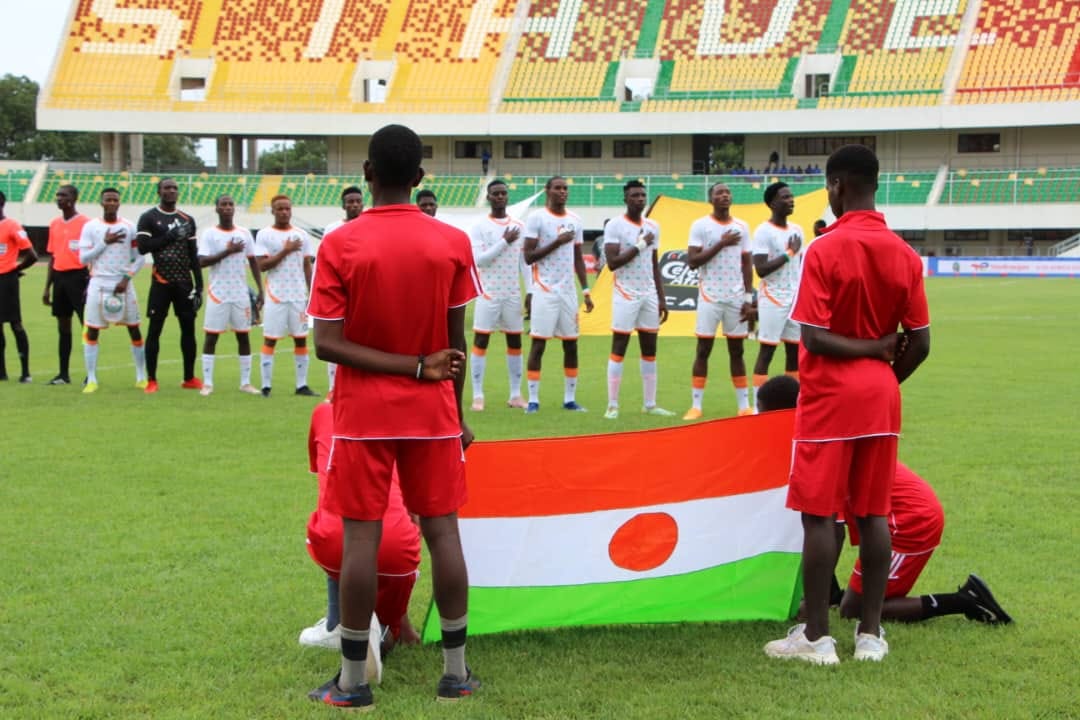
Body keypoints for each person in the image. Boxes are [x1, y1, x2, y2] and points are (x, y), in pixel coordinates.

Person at [307, 123, 481, 709]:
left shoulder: (340, 243)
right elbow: (453, 347)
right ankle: (455, 675)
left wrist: (407, 368)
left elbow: (326, 344)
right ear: (421, 178)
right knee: (444, 533)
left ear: (367, 175)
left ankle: (353, 683)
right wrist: (455, 412)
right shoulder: (452, 240)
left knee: (362, 540)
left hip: (361, 416)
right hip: (434, 414)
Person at [764, 144, 930, 665]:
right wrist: (881, 369)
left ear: (836, 186)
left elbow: (812, 338)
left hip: (831, 398)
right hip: (881, 397)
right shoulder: (904, 252)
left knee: (820, 517)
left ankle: (816, 638)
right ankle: (871, 637)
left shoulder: (824, 248)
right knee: (874, 513)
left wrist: (867, 356)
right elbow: (921, 343)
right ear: (875, 184)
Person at [756, 376, 1013, 626]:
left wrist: (814, 604)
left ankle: (963, 600)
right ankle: (834, 595)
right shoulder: (819, 434)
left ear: (785, 416)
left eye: (765, 417)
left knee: (854, 609)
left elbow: (833, 534)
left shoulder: (821, 445)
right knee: (817, 528)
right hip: (903, 514)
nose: (762, 425)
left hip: (911, 523)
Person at [300, 398, 423, 661]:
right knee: (395, 522)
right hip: (401, 551)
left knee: (333, 521)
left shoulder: (323, 411)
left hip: (339, 542)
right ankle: (387, 627)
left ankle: (339, 624)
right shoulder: (401, 414)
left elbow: (322, 471)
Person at [522, 176, 594, 413]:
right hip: (544, 291)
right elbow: (529, 256)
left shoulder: (575, 220)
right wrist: (557, 241)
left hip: (568, 293)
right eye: (558, 188)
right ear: (547, 191)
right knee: (538, 345)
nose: (562, 192)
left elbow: (577, 258)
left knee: (571, 346)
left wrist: (585, 290)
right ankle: (533, 399)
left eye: (565, 188)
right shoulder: (537, 218)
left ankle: (569, 399)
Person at [602, 180, 674, 419]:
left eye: (643, 195)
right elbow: (612, 263)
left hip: (649, 294)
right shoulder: (615, 225)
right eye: (634, 195)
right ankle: (612, 405)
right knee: (619, 348)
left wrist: (661, 297)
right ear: (625, 198)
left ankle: (650, 404)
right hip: (625, 293)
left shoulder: (654, 226)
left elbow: (654, 263)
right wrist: (641, 243)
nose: (640, 199)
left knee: (650, 350)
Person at [682, 182, 754, 420]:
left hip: (735, 298)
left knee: (737, 351)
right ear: (710, 199)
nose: (724, 195)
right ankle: (696, 405)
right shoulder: (700, 226)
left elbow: (746, 263)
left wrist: (747, 298)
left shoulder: (742, 226)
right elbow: (692, 261)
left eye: (727, 192)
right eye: (719, 193)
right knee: (703, 350)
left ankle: (744, 406)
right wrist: (721, 243)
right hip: (709, 296)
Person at [135, 177, 203, 393]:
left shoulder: (187, 219)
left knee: (188, 330)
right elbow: (143, 248)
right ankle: (152, 379)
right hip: (161, 282)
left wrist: (199, 285)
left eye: (174, 188)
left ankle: (189, 377)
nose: (171, 191)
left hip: (184, 283)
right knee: (155, 330)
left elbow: (193, 255)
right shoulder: (149, 218)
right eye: (167, 188)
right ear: (159, 191)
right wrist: (170, 236)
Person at [78, 188, 147, 392]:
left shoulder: (129, 227)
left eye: (115, 200)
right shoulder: (91, 227)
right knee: (92, 330)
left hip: (123, 284)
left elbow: (140, 256)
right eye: (108, 200)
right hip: (98, 283)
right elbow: (83, 258)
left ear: (119, 203)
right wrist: (104, 243)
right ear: (101, 203)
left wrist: (127, 277)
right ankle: (91, 379)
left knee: (134, 328)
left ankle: (141, 376)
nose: (111, 203)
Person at [468, 179, 526, 411]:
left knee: (515, 342)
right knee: (481, 341)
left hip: (512, 293)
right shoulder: (480, 226)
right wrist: (504, 241)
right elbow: (480, 260)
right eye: (496, 193)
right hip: (488, 293)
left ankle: (515, 394)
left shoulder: (519, 226)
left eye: (503, 193)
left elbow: (524, 263)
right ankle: (478, 395)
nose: (500, 197)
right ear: (489, 197)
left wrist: (529, 291)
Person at [197, 195, 263, 396]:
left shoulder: (244, 233)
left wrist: (260, 289)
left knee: (243, 336)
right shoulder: (209, 234)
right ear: (216, 209)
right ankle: (207, 383)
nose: (227, 208)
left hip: (240, 294)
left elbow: (253, 262)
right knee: (211, 337)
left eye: (230, 204)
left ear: (234, 209)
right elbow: (202, 261)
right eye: (223, 205)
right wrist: (228, 251)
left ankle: (245, 382)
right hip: (218, 294)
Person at [255, 195, 318, 397]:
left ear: (291, 210)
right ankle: (266, 386)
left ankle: (302, 385)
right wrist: (286, 250)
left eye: (287, 208)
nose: (284, 212)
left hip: (298, 296)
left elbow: (307, 265)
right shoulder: (265, 234)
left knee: (300, 340)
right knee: (270, 340)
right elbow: (262, 265)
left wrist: (311, 292)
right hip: (276, 295)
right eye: (279, 209)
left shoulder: (302, 235)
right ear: (272, 211)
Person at [750, 182, 804, 402]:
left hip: (794, 298)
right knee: (767, 351)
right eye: (785, 197)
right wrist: (790, 252)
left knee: (794, 353)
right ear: (772, 203)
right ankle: (757, 405)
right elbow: (761, 269)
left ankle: (793, 405)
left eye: (791, 196)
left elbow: (799, 267)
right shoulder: (764, 231)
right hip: (772, 297)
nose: (791, 200)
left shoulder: (797, 230)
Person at [42, 184, 90, 385]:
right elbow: (53, 256)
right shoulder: (54, 224)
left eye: (64, 195)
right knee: (63, 326)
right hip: (60, 279)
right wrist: (47, 287)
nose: (59, 198)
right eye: (58, 195)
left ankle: (91, 373)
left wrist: (90, 281)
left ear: (74, 198)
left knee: (86, 326)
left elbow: (93, 255)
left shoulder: (86, 223)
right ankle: (63, 374)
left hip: (79, 277)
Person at [321, 185, 364, 392]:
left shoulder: (370, 225)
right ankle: (332, 388)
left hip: (363, 293)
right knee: (335, 339)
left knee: (361, 340)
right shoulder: (332, 229)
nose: (354, 204)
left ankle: (359, 387)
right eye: (350, 201)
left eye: (357, 201)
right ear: (343, 205)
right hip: (340, 293)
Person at [0, 191, 37, 382]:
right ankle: (2, 372)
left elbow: (32, 255)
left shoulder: (12, 225)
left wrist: (15, 269)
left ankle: (25, 372)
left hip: (6, 281)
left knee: (15, 324)